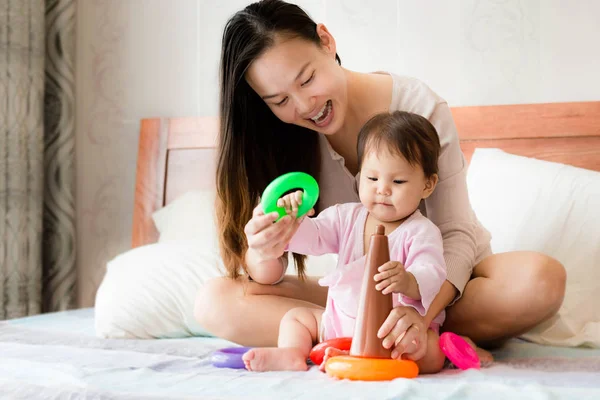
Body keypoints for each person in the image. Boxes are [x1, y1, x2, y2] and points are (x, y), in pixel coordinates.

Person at [194, 0, 566, 362]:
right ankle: (381, 335)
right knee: (215, 301)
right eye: (279, 100)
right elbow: (270, 273)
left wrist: (420, 315)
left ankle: (413, 333)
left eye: (307, 79)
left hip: (447, 288)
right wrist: (265, 245)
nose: (304, 105)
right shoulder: (281, 136)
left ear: (326, 41)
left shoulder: (418, 106)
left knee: (539, 280)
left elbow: (456, 235)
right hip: (360, 295)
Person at [243, 111, 451, 373]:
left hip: (391, 333)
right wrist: (288, 220)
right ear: (359, 175)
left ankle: (372, 355)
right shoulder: (346, 217)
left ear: (427, 185)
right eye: (372, 178)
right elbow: (313, 237)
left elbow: (433, 273)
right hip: (337, 325)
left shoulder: (421, 232)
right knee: (296, 318)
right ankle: (291, 354)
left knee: (431, 352)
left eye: (398, 181)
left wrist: (409, 280)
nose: (382, 189)